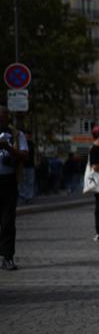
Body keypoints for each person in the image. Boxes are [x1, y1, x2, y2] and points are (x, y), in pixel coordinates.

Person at [0, 107, 28, 270]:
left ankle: (7, 257)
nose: (1, 121)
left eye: (4, 118)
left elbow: (24, 157)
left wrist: (8, 147)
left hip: (9, 182)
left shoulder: (17, 135)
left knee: (8, 222)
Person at [18, 131, 35, 203]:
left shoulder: (31, 144)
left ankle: (29, 196)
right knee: (22, 181)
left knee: (30, 181)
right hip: (23, 165)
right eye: (26, 135)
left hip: (30, 165)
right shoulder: (21, 143)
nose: (27, 137)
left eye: (29, 136)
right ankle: (23, 195)